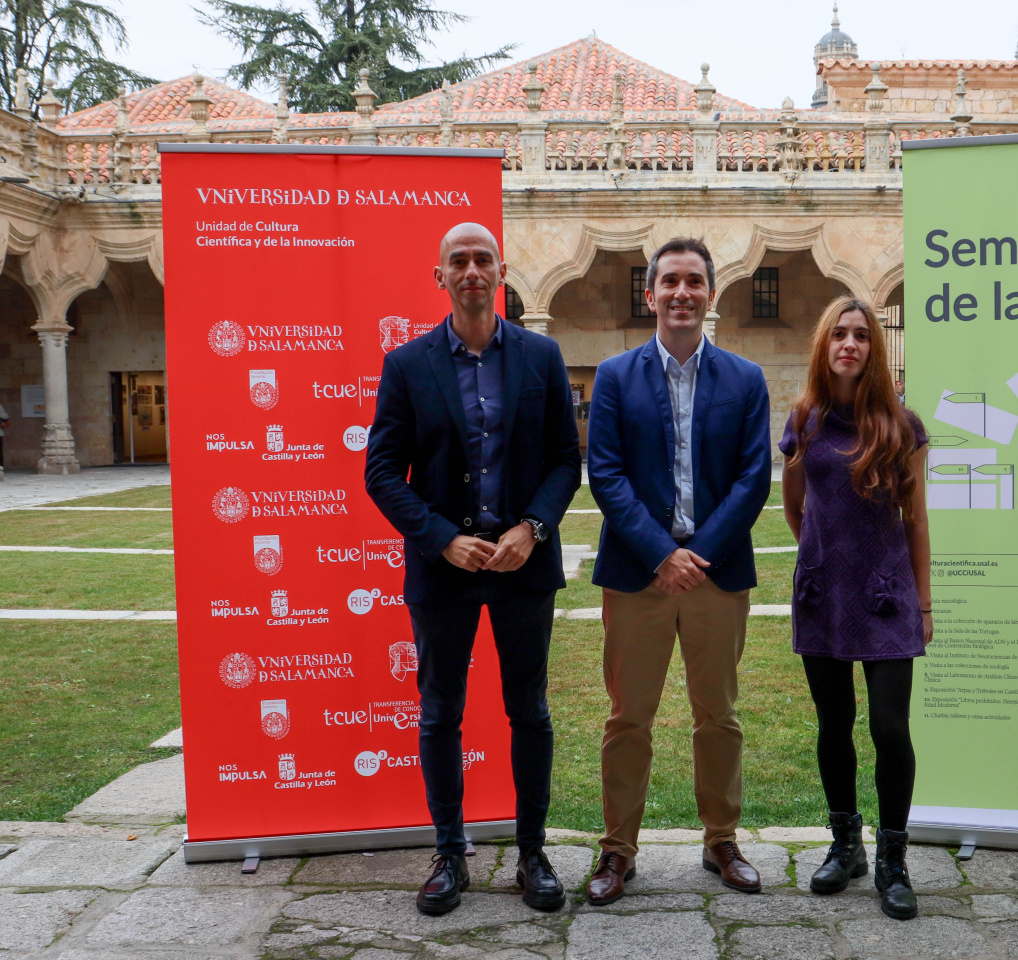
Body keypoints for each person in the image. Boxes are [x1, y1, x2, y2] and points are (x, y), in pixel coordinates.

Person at [365, 222, 581, 917]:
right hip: (445, 569)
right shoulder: (407, 365)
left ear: (501, 272)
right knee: (440, 715)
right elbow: (380, 472)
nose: (470, 271)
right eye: (457, 261)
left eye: (482, 259)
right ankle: (450, 854)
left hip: (522, 563)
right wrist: (438, 538)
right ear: (440, 277)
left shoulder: (542, 358)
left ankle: (532, 852)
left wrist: (532, 527)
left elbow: (563, 461)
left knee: (531, 711)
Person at [585, 237, 772, 904]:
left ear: (711, 294)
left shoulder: (747, 381)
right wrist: (661, 554)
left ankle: (721, 839)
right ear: (650, 294)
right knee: (627, 718)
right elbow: (603, 473)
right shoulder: (614, 376)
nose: (682, 293)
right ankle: (616, 851)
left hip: (716, 576)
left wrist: (698, 556)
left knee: (717, 715)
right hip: (638, 574)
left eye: (695, 281)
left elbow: (754, 480)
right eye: (670, 282)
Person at [780, 294, 932, 921]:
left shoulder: (902, 425)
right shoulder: (805, 420)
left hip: (886, 592)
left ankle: (893, 858)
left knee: (890, 727)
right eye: (839, 333)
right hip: (824, 592)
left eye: (861, 336)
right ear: (825, 345)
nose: (849, 344)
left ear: (874, 349)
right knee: (833, 722)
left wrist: (922, 601)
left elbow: (916, 520)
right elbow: (794, 504)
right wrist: (820, 554)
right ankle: (846, 845)